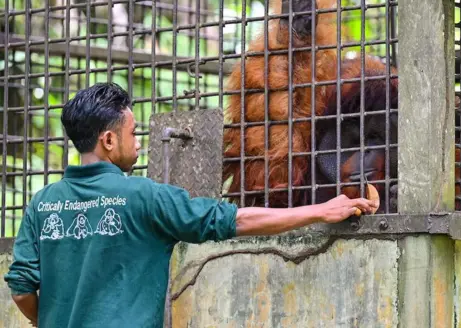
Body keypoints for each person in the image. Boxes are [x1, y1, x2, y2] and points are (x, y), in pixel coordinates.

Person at [3, 82, 378, 327]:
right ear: (108, 140)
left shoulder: (42, 204)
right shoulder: (144, 197)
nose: (139, 143)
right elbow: (234, 219)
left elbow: (21, 288)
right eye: (133, 133)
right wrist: (322, 210)